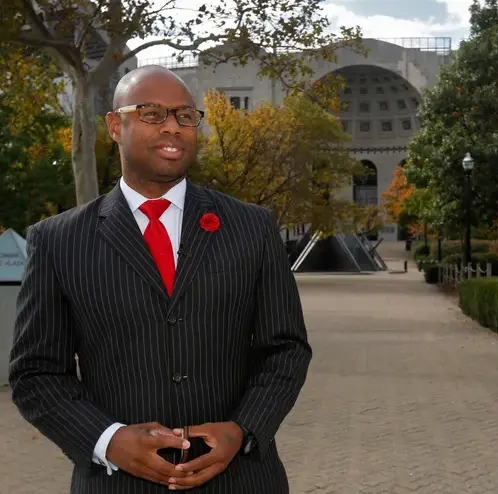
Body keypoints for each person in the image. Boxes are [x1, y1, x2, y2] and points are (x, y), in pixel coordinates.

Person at [8, 65, 312, 494]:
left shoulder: (251, 227)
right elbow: (36, 373)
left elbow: (285, 348)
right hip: (116, 484)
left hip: (241, 480)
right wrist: (108, 440)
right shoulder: (58, 240)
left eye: (185, 116)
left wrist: (243, 430)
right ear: (115, 125)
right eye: (151, 113)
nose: (173, 127)